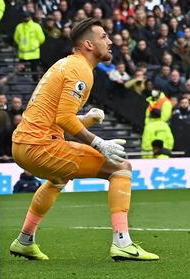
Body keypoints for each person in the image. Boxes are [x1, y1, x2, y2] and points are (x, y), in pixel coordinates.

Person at [10, 17, 158, 261]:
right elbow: (65, 118)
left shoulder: (66, 65)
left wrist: (87, 119)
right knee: (121, 167)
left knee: (58, 178)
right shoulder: (81, 69)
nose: (110, 42)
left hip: (23, 145)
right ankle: (122, 243)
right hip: (40, 145)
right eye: (104, 37)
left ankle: (25, 240)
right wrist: (98, 142)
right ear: (88, 45)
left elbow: (57, 119)